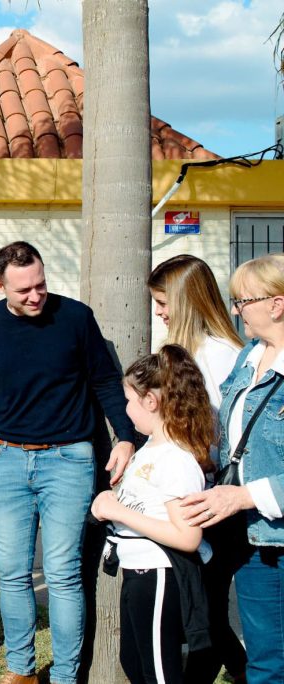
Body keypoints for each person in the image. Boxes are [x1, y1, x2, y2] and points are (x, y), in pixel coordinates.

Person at [0, 241, 136, 684]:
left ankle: (64, 676)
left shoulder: (76, 317)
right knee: (11, 573)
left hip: (69, 460)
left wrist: (126, 437)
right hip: (7, 459)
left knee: (62, 574)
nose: (35, 295)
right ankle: (21, 670)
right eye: (23, 289)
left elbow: (106, 381)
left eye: (40, 284)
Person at [181, 253, 284, 684]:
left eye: (243, 300)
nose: (237, 310)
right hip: (252, 537)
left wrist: (244, 495)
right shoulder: (250, 357)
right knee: (264, 661)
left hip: (268, 524)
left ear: (276, 304)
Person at [148, 254, 246, 683]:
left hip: (216, 499)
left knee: (204, 610)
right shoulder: (192, 352)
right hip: (199, 496)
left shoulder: (221, 355)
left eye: (163, 301)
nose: (159, 312)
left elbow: (224, 436)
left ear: (185, 300)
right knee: (203, 609)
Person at [91, 346, 215, 683]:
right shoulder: (150, 448)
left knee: (160, 673)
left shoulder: (176, 459)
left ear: (150, 401)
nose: (125, 409)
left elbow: (188, 537)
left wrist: (118, 511)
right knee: (134, 663)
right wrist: (112, 501)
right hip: (137, 572)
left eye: (128, 400)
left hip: (159, 575)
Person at [148, 254, 244, 409]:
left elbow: (223, 417)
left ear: (187, 303)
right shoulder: (185, 350)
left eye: (162, 303)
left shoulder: (219, 352)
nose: (157, 311)